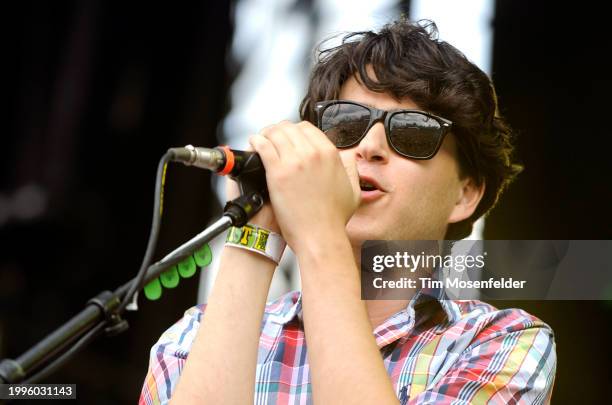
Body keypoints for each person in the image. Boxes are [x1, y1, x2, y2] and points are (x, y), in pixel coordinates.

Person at [139, 19, 556, 404]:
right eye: (345, 124)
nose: (368, 147)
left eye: (411, 131)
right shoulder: (189, 341)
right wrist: (255, 237)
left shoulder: (502, 343)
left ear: (466, 194)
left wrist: (321, 235)